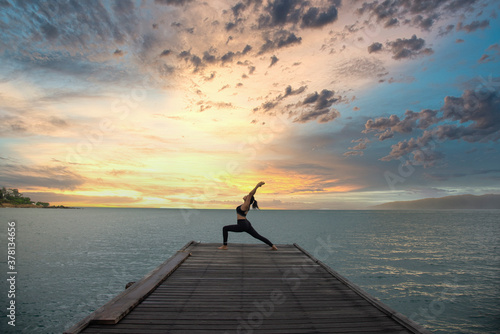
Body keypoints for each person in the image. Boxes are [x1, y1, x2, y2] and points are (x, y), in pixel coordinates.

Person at [218, 181, 278, 250]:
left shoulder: (246, 205)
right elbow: (249, 196)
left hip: (242, 224)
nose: (246, 196)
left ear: (248, 200)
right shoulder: (245, 205)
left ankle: (225, 246)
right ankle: (273, 246)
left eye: (247, 196)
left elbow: (250, 194)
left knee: (225, 228)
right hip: (246, 223)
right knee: (257, 236)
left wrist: (257, 186)